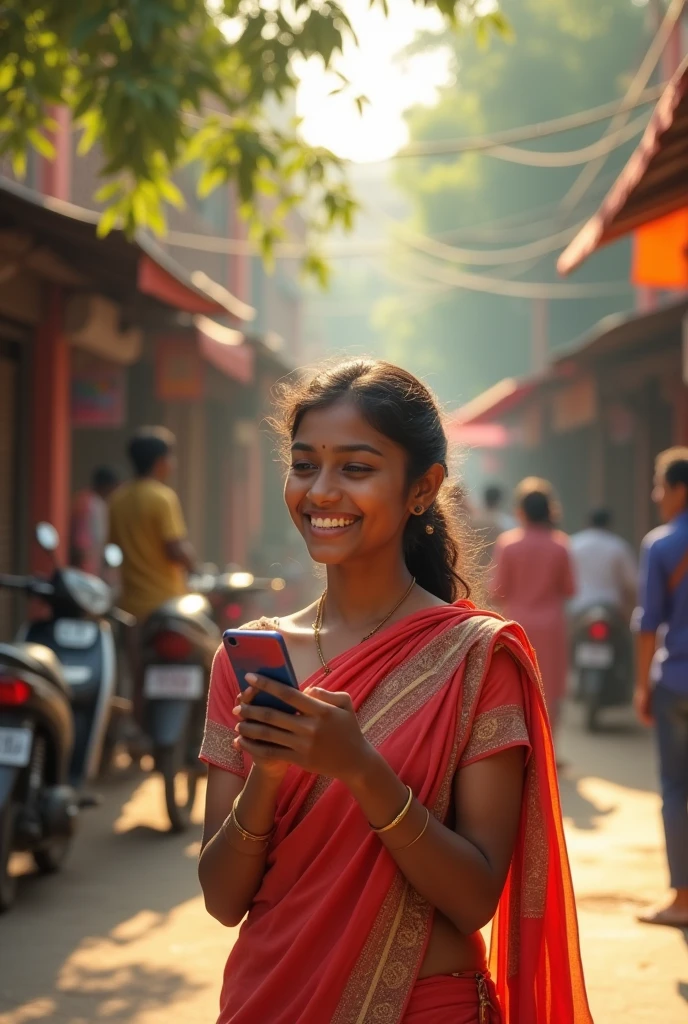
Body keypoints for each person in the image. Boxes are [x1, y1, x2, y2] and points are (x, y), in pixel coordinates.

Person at [198, 361, 592, 1024]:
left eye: (356, 468)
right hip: (269, 1000)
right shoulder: (249, 661)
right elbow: (221, 899)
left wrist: (359, 768)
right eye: (304, 465)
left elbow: (473, 899)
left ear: (422, 488)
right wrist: (268, 774)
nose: (321, 491)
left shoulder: (475, 659)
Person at [635, 448, 688, 929]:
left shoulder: (661, 544)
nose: (657, 496)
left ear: (678, 489)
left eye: (660, 485)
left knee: (675, 787)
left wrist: (642, 688)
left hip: (676, 681)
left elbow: (648, 623)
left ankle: (683, 899)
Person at [491, 478, 576, 737]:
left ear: (521, 511)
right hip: (551, 627)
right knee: (549, 691)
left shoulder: (508, 544)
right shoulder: (560, 544)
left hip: (517, 626)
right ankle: (548, 753)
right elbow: (570, 589)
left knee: (515, 689)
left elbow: (496, 591)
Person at [109, 427, 197, 623]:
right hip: (165, 603)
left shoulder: (118, 499)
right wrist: (194, 568)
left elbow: (114, 547)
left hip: (130, 605)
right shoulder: (162, 498)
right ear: (160, 462)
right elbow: (175, 548)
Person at [569, 509, 637, 619]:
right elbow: (632, 584)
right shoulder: (618, 545)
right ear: (609, 524)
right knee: (623, 635)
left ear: (587, 523)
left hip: (580, 608)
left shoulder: (573, 544)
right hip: (611, 607)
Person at [69, 466, 119, 576]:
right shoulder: (87, 504)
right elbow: (81, 542)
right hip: (84, 568)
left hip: (93, 567)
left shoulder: (98, 502)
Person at [472, 485, 516, 566]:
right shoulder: (507, 523)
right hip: (496, 569)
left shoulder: (473, 522)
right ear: (500, 500)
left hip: (474, 569)